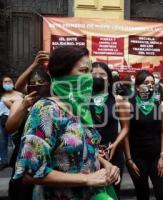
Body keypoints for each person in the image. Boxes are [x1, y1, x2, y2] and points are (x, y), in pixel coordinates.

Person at [13, 46, 120, 200]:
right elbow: (29, 172)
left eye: (90, 72)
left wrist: (105, 164)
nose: (90, 77)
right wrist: (88, 179)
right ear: (62, 73)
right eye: (83, 71)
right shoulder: (46, 110)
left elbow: (78, 150)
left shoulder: (79, 109)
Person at [6, 67, 51, 200]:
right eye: (33, 82)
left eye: (41, 82)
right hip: (22, 161)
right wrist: (23, 107)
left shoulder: (54, 103)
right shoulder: (21, 102)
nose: (37, 85)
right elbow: (10, 128)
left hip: (47, 163)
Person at [124, 70, 163, 200]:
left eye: (152, 83)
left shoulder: (160, 104)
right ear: (137, 87)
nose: (150, 85)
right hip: (137, 158)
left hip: (157, 157)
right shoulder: (128, 105)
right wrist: (129, 160)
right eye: (146, 82)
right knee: (142, 195)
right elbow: (125, 134)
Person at [90, 62, 130, 198]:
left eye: (102, 74)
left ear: (109, 77)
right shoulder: (83, 100)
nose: (98, 77)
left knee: (113, 192)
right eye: (93, 74)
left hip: (113, 152)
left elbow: (125, 128)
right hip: (90, 153)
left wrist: (115, 144)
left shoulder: (118, 100)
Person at [0, 75, 23, 169]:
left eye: (9, 81)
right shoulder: (1, 95)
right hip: (2, 119)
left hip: (14, 119)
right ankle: (4, 161)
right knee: (2, 141)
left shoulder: (19, 94)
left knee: (16, 141)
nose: (7, 83)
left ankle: (17, 161)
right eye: (5, 82)